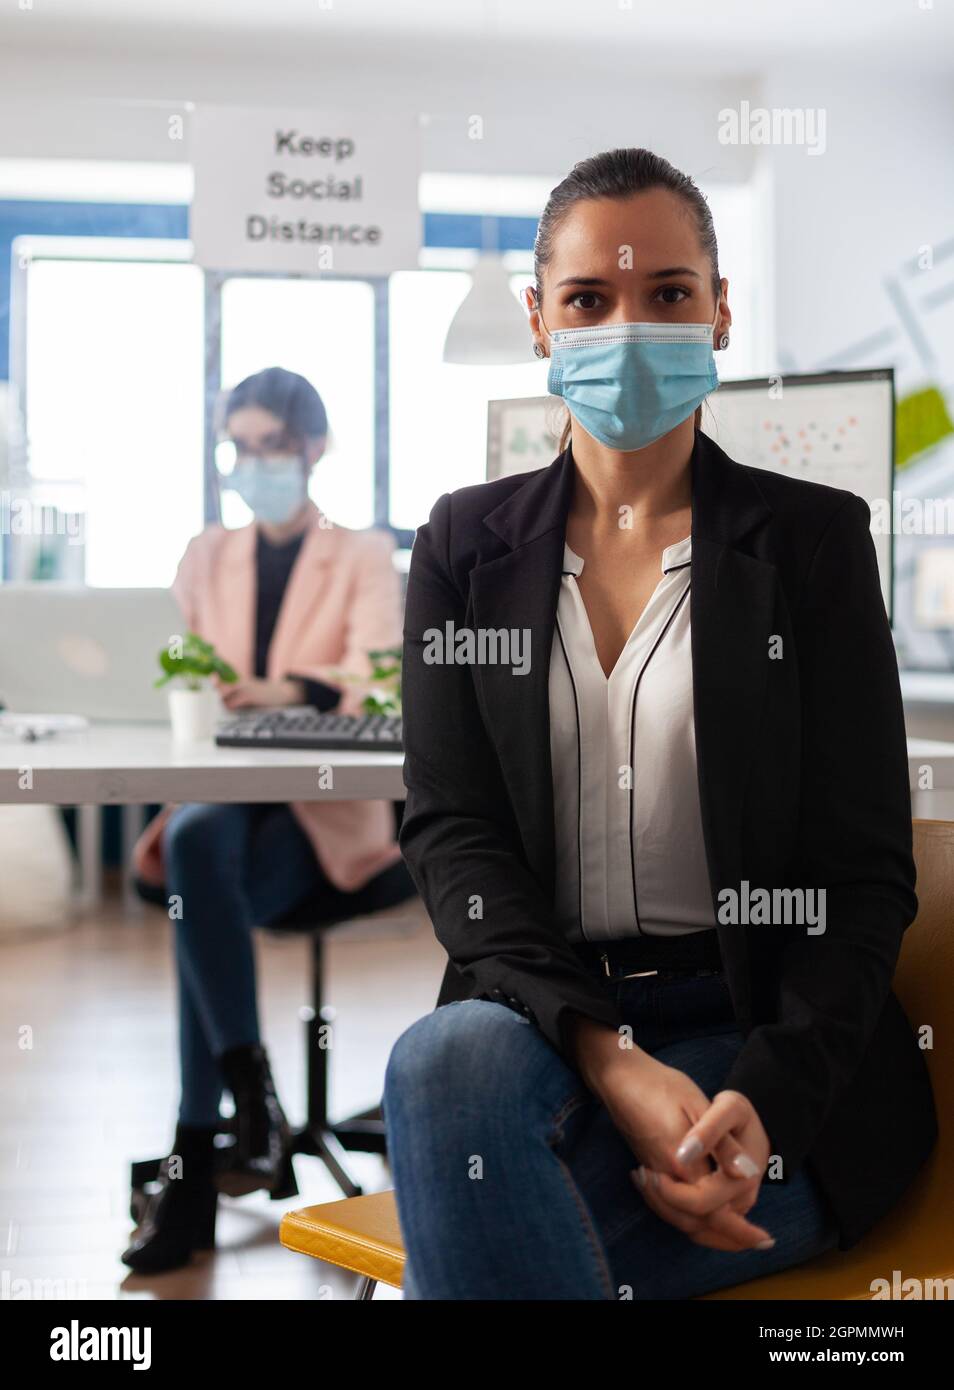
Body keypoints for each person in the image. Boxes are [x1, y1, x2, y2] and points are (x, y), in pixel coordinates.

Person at [382, 148, 938, 1300]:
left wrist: (769, 1102)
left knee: (497, 1225)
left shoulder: (812, 544)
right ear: (541, 322)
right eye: (589, 299)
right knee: (444, 1067)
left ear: (721, 311)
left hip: (770, 1044)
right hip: (546, 1018)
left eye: (669, 294)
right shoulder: (459, 545)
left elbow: (863, 872)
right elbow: (454, 837)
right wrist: (609, 1055)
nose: (627, 327)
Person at [123, 366, 412, 1274]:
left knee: (195, 862)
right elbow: (169, 664)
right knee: (201, 844)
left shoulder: (361, 554)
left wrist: (288, 689)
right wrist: (192, 683)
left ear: (313, 449)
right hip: (223, 810)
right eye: (240, 448)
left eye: (271, 447)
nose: (254, 464)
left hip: (322, 825)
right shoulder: (206, 555)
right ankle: (246, 1105)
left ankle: (208, 1147)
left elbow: (383, 679)